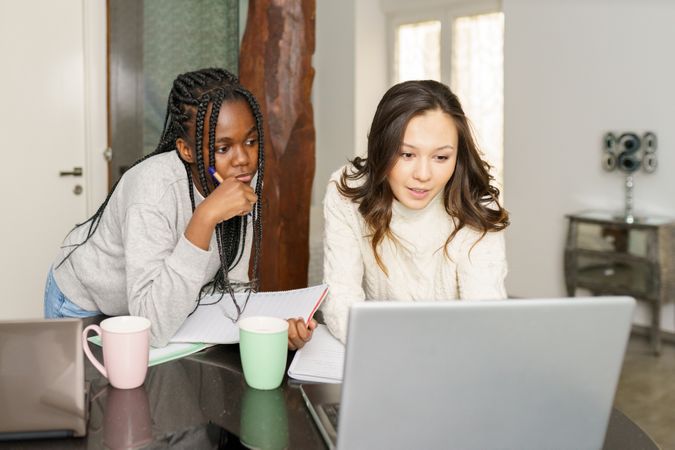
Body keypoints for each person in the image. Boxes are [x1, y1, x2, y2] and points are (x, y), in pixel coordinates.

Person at [45, 68, 314, 349]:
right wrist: (205, 216)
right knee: (85, 392)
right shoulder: (152, 189)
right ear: (187, 150)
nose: (243, 159)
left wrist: (269, 332)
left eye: (250, 141)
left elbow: (233, 285)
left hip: (149, 305)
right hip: (83, 302)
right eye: (223, 148)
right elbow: (152, 328)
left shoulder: (240, 179)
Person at [320, 80, 510, 343]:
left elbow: (485, 320)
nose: (423, 175)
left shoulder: (476, 205)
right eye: (407, 155)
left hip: (454, 357)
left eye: (441, 157)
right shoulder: (347, 193)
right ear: (381, 147)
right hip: (378, 351)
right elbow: (341, 302)